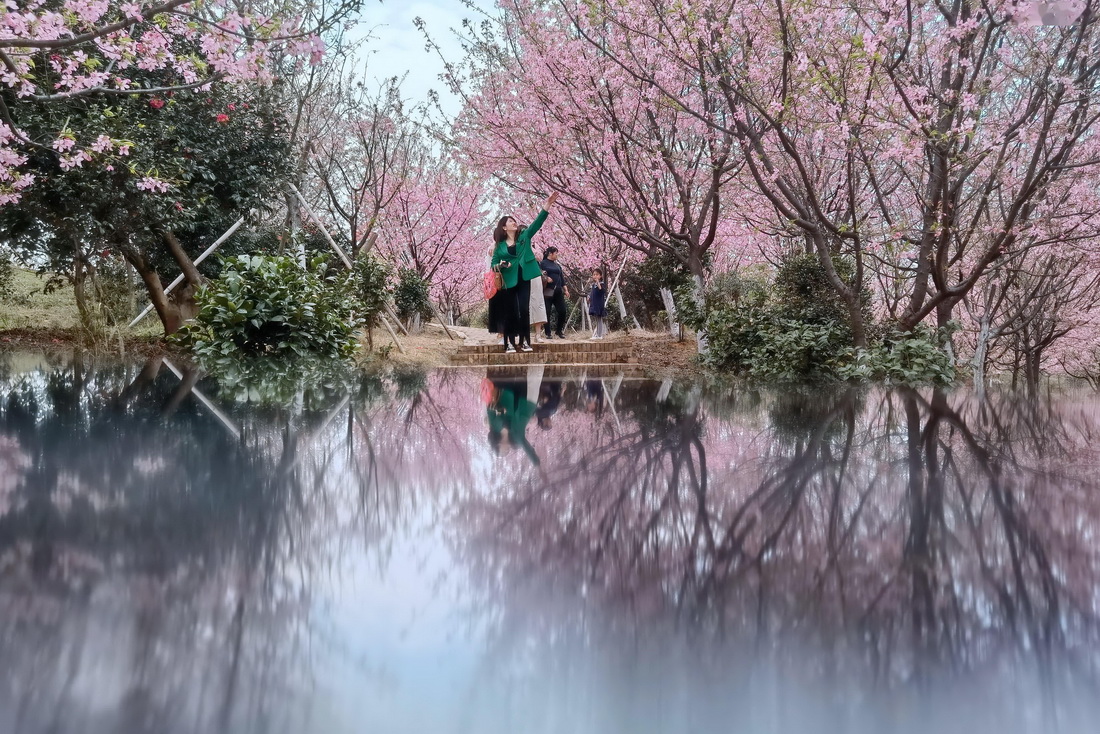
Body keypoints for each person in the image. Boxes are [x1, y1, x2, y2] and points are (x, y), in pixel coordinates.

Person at [491, 192, 559, 352]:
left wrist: (547, 206)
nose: (514, 223)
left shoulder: (524, 236)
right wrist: (500, 264)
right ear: (503, 227)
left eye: (514, 220)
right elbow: (493, 265)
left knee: (523, 309)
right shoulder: (499, 246)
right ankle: (508, 343)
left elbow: (537, 223)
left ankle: (525, 341)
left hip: (524, 278)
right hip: (508, 280)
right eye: (510, 221)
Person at [540, 246, 570, 339]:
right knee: (547, 312)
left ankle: (559, 331)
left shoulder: (557, 265)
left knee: (562, 311)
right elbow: (539, 272)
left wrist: (566, 290)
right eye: (556, 253)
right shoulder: (543, 263)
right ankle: (548, 333)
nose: (557, 255)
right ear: (550, 253)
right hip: (547, 291)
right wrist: (546, 278)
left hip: (558, 292)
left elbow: (562, 279)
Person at [587, 267, 608, 339]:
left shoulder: (601, 284)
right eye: (594, 274)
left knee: (599, 319)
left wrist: (598, 282)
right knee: (597, 319)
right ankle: (597, 334)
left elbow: (601, 290)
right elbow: (592, 293)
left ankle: (599, 335)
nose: (595, 276)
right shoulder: (593, 285)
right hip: (594, 304)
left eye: (597, 274)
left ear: (600, 276)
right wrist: (589, 297)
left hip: (599, 305)